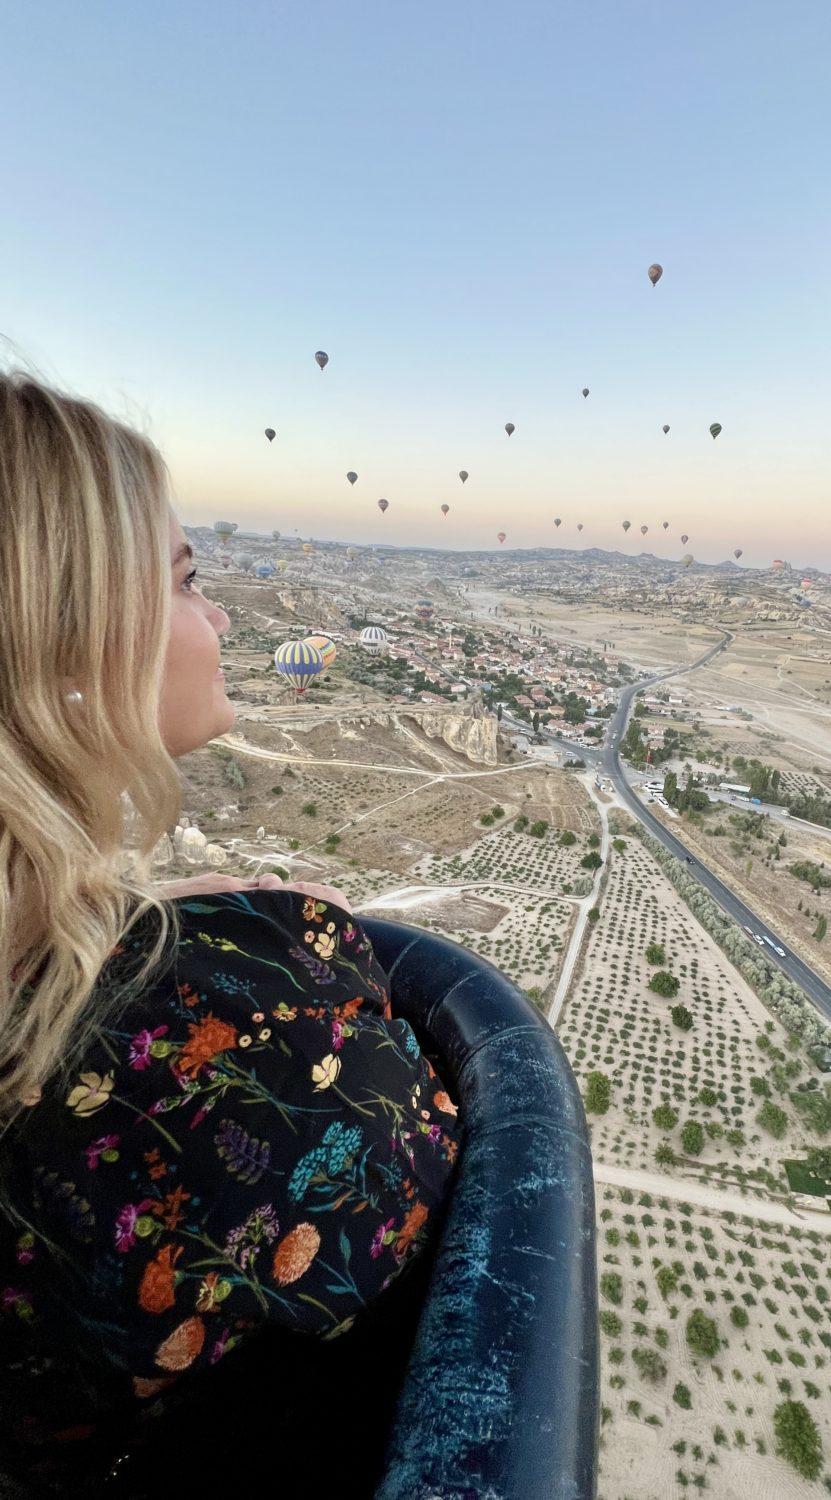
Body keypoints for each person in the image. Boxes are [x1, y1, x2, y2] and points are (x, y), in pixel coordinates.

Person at [0, 375, 462, 1494]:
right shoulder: (198, 1034)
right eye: (189, 583)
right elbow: (426, 1209)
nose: (218, 621)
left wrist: (125, 917)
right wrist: (274, 950)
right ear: (73, 667)